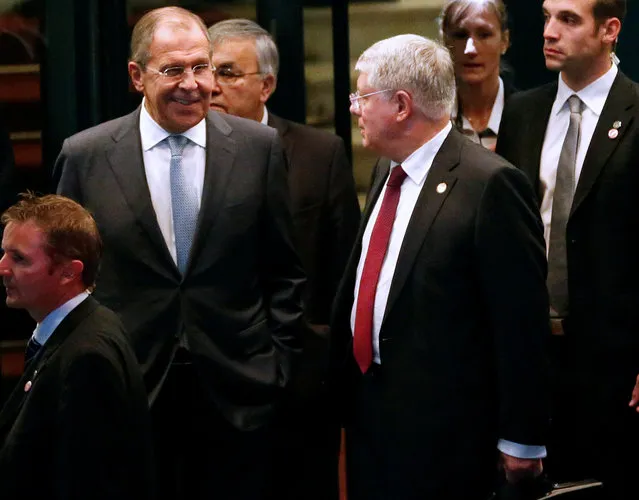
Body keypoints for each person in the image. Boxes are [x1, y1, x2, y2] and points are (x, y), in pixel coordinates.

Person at [54, 7, 305, 500]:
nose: (193, 84)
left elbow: (283, 271)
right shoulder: (86, 156)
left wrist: (277, 367)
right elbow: (64, 279)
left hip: (238, 390)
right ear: (136, 76)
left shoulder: (259, 149)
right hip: (128, 389)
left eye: (201, 66)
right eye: (173, 70)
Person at [329, 34, 549, 500]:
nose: (354, 107)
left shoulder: (490, 184)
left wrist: (521, 439)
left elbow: (520, 323)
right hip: (373, 418)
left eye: (362, 95)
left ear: (403, 105)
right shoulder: (385, 169)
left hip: (448, 437)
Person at [207, 18, 361, 500]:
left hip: (296, 379)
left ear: (267, 85)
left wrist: (315, 359)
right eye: (207, 71)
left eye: (229, 73)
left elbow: (343, 270)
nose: (212, 85)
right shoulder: (183, 152)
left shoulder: (320, 154)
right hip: (213, 377)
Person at [496, 1, 639, 497]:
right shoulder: (522, 111)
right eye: (546, 17)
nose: (549, 32)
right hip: (534, 349)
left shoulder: (638, 111)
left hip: (615, 359)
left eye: (569, 20)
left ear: (610, 30)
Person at [0, 193, 154, 500]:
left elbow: (87, 484)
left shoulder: (87, 357)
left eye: (19, 258)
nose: (3, 268)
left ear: (70, 271)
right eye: (3, 253)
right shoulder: (85, 327)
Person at [440, 0, 513, 151]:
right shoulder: (429, 122)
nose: (470, 49)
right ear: (445, 41)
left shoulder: (531, 119)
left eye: (484, 35)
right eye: (460, 35)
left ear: (504, 41)